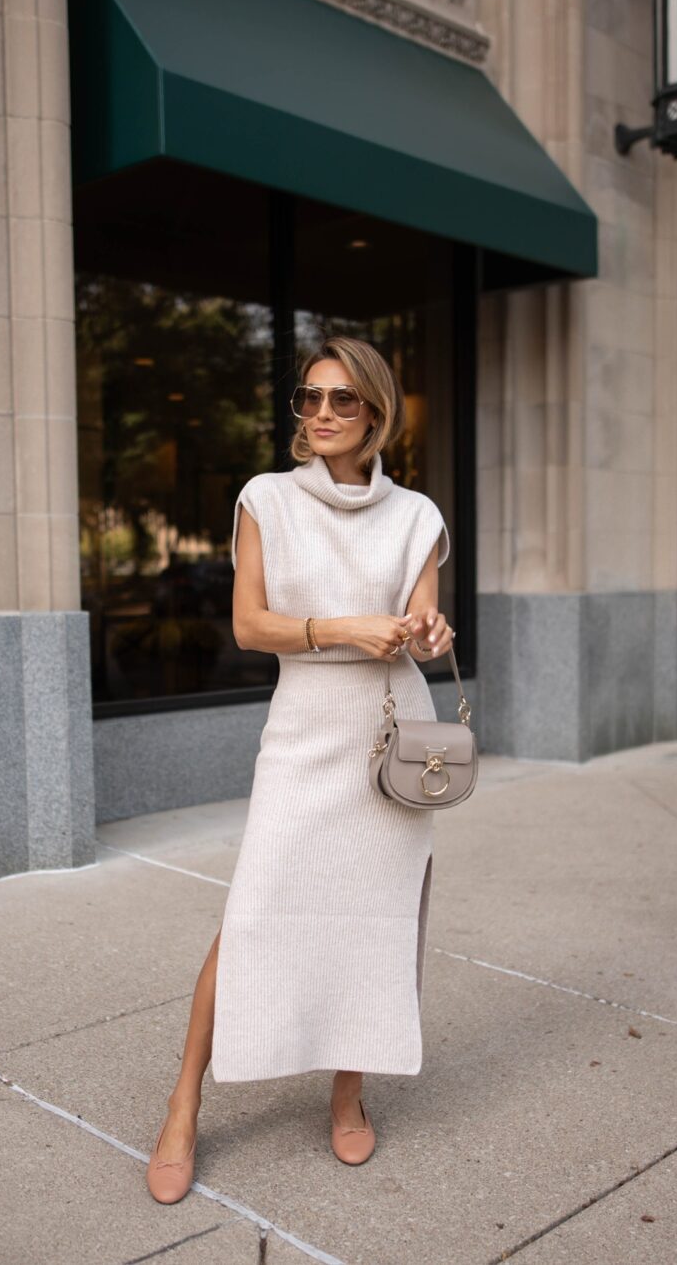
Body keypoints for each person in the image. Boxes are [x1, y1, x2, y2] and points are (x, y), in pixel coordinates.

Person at [146, 335, 454, 1204]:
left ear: (376, 412)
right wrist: (343, 627)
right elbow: (251, 626)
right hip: (303, 733)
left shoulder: (417, 516)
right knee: (252, 913)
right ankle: (182, 1106)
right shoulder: (266, 500)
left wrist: (429, 635)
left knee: (375, 919)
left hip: (388, 740)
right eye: (310, 398)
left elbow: (423, 625)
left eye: (341, 400)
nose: (321, 414)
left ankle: (349, 1092)